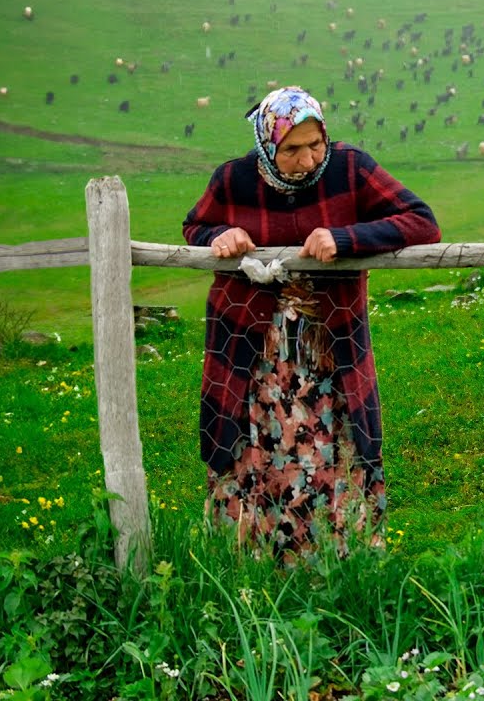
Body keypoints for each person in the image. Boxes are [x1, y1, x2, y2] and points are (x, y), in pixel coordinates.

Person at [182, 86, 440, 562]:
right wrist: (222, 234)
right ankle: (250, 561)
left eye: (315, 145)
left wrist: (346, 237)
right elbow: (194, 227)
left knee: (333, 446)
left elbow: (422, 222)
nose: (307, 160)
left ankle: (341, 559)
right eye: (292, 149)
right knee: (253, 446)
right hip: (251, 348)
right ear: (266, 143)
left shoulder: (350, 169)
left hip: (328, 348)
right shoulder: (233, 180)